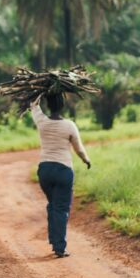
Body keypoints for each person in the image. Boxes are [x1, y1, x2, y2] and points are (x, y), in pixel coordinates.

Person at [30, 92, 91, 258]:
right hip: (63, 171)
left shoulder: (42, 121)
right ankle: (59, 247)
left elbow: (33, 107)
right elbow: (78, 149)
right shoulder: (69, 125)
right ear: (63, 105)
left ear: (48, 105)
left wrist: (39, 94)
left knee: (53, 205)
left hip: (45, 171)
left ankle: (54, 240)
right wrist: (86, 160)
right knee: (61, 208)